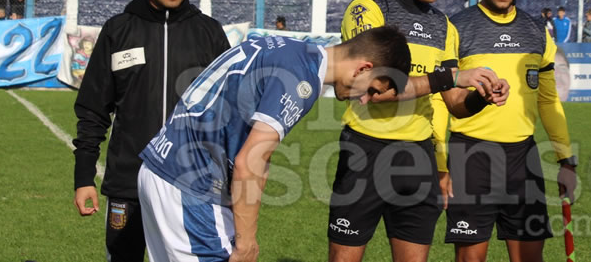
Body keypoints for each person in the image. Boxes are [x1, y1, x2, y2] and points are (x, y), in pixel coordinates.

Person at [138, 26, 413, 262]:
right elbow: (251, 162)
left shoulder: (290, 50)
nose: (364, 100)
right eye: (372, 90)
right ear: (363, 68)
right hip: (190, 187)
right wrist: (246, 243)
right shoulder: (301, 78)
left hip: (162, 167)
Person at [328, 0, 509, 262]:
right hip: (365, 152)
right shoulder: (368, 10)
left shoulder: (444, 26)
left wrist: (481, 95)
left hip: (418, 158)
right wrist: (450, 78)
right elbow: (372, 88)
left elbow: (455, 104)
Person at [73, 0, 231, 262]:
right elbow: (93, 109)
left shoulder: (210, 33)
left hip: (190, 185)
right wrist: (84, 177)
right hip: (127, 183)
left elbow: (231, 113)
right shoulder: (118, 30)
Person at [436, 0, 576, 262]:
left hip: (523, 159)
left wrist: (566, 160)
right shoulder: (456, 29)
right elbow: (442, 102)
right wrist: (442, 163)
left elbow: (548, 101)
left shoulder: (537, 32)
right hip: (470, 157)